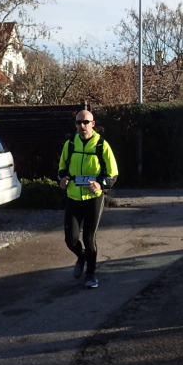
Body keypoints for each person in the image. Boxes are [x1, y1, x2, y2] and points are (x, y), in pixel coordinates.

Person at [57, 110, 118, 289]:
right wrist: (62, 179)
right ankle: (81, 257)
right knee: (71, 239)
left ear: (93, 123)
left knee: (89, 238)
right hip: (73, 197)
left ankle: (91, 274)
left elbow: (113, 173)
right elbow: (61, 168)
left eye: (85, 122)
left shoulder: (101, 145)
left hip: (93, 198)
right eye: (78, 123)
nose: (81, 126)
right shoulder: (69, 145)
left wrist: (101, 184)